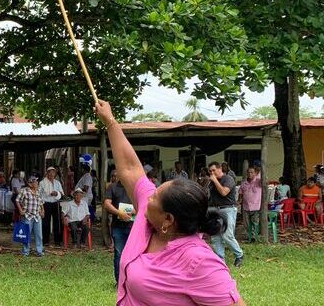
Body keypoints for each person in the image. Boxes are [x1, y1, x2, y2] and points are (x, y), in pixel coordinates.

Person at [94, 100, 244, 305]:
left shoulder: (199, 261)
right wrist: (110, 122)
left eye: (154, 196)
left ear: (168, 219)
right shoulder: (147, 221)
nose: (148, 196)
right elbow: (130, 169)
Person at [208, 161, 244, 267]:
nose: (212, 173)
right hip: (214, 210)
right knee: (215, 237)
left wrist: (215, 181)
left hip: (227, 209)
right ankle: (220, 260)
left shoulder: (228, 179)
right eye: (210, 171)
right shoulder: (211, 182)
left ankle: (239, 255)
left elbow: (224, 192)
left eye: (214, 170)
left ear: (220, 169)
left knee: (227, 235)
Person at [103, 169, 134, 284]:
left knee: (133, 254)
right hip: (118, 227)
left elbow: (143, 203)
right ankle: (119, 281)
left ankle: (131, 280)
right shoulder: (112, 187)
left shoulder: (134, 187)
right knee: (119, 253)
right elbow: (106, 204)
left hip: (134, 226)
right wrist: (119, 213)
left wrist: (135, 211)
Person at [16, 176, 44, 256]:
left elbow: (41, 203)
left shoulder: (38, 191)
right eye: (35, 182)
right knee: (26, 235)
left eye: (37, 182)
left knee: (39, 235)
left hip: (37, 216)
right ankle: (26, 252)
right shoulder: (24, 191)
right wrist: (20, 210)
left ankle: (40, 251)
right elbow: (17, 200)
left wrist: (43, 210)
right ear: (30, 184)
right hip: (27, 216)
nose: (37, 183)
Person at [38, 167, 63, 246]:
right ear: (47, 173)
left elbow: (62, 193)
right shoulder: (42, 183)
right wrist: (41, 206)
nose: (51, 174)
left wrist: (57, 193)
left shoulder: (57, 183)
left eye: (53, 172)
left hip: (56, 203)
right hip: (46, 203)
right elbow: (39, 194)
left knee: (57, 222)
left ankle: (57, 241)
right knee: (45, 222)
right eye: (50, 172)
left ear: (55, 174)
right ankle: (45, 241)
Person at [240, 167, 262, 242]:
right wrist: (239, 201)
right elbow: (241, 192)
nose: (250, 174)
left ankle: (255, 237)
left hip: (256, 206)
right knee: (246, 223)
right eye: (248, 172)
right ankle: (250, 236)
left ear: (255, 173)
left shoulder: (258, 181)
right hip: (246, 206)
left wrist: (259, 172)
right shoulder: (244, 183)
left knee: (255, 222)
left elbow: (264, 180)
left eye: (252, 172)